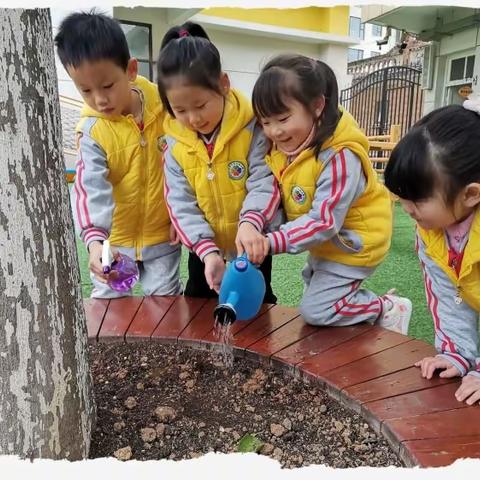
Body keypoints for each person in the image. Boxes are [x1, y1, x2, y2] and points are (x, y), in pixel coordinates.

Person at [251, 53, 412, 333]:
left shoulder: (340, 157)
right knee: (317, 287)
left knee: (317, 310)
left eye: (283, 118)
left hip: (356, 243)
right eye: (265, 122)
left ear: (317, 106)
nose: (274, 131)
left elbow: (324, 221)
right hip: (329, 243)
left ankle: (386, 308)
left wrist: (271, 241)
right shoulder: (290, 147)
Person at [55, 10, 181, 298]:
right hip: (115, 243)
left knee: (166, 308)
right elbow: (90, 188)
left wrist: (179, 216)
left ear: (131, 70)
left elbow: (184, 165)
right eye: (85, 90)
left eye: (108, 86)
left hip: (162, 237)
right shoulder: (93, 131)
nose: (99, 99)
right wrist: (96, 241)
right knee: (110, 313)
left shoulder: (164, 108)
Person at [157, 22, 280, 302]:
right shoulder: (174, 143)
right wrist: (207, 252)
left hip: (251, 243)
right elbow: (180, 201)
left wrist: (251, 224)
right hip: (203, 250)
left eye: (200, 105)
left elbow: (265, 181)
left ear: (223, 84)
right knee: (197, 307)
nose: (194, 119)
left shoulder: (251, 127)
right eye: (180, 110)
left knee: (255, 304)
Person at [384, 98, 480, 406]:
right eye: (402, 196)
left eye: (417, 199)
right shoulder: (431, 230)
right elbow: (445, 292)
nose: (406, 208)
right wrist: (457, 352)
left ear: (471, 194)